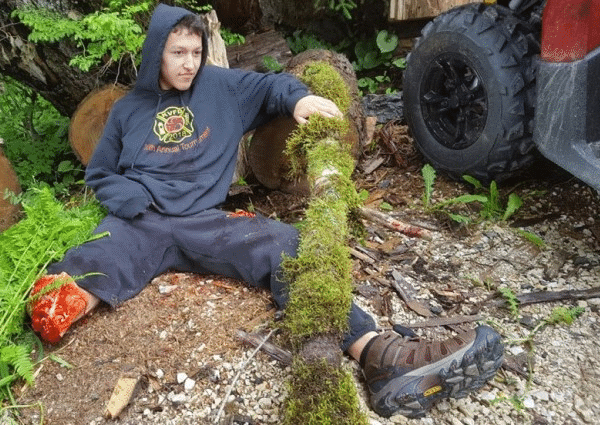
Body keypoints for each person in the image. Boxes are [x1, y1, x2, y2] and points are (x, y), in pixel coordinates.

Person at [28, 4, 504, 419]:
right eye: (178, 53)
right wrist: (128, 199)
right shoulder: (129, 110)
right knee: (69, 285)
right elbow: (101, 173)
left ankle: (380, 356)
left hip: (204, 222)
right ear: (157, 52)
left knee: (284, 247)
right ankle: (36, 352)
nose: (189, 64)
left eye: (196, 52)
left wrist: (298, 99)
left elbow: (271, 86)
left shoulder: (221, 87)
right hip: (141, 219)